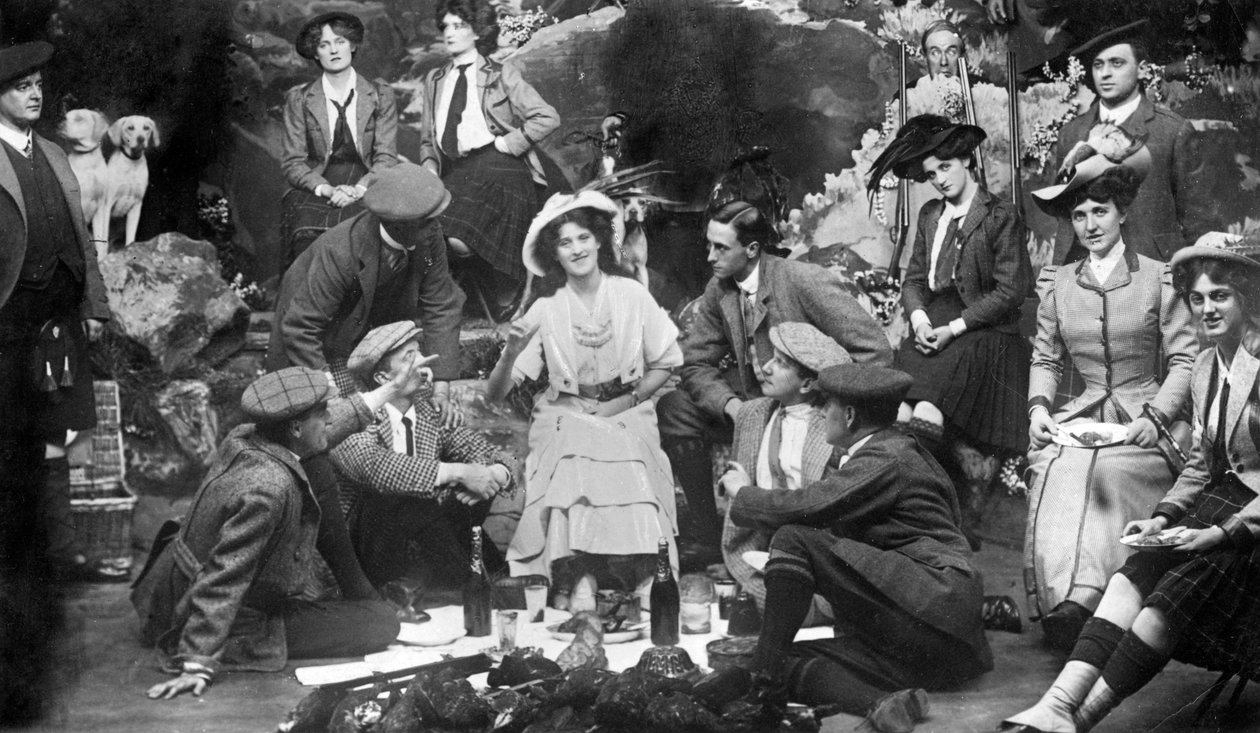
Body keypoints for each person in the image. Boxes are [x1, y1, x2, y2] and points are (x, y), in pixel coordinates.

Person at [994, 236, 1260, 733]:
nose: (1207, 309)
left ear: (1246, 298)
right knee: (1128, 577)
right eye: (1197, 299)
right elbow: (1200, 465)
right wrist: (1162, 517)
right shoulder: (1206, 366)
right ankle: (1055, 706)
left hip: (1250, 525)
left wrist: (1219, 534)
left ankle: (1079, 719)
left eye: (1220, 296)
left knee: (1164, 602)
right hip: (1216, 503)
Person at [132, 365, 432, 700]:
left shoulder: (248, 436)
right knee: (381, 623)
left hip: (169, 590)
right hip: (211, 616)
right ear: (296, 427)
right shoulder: (269, 489)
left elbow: (333, 423)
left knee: (317, 463)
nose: (330, 419)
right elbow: (225, 574)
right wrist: (196, 660)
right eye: (323, 412)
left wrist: (392, 388)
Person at [718, 363, 992, 729]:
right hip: (940, 646)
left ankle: (762, 683)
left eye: (826, 405)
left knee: (793, 537)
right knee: (788, 658)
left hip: (930, 611)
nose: (822, 414)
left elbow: (807, 506)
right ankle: (882, 704)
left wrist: (741, 492)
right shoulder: (893, 450)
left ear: (848, 416)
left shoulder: (887, 457)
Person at [1023, 153, 1198, 651]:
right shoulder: (1059, 283)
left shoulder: (1158, 278)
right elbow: (1046, 358)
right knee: (1057, 466)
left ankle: (1097, 600)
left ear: (1122, 212)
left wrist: (1156, 416)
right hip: (1082, 417)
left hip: (1150, 419)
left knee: (1107, 472)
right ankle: (1064, 601)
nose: (1090, 225)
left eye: (1100, 211)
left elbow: (1185, 360)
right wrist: (1039, 409)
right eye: (1079, 215)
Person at [657, 200, 893, 558]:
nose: (710, 256)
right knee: (674, 408)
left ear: (752, 249)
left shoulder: (801, 280)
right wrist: (732, 407)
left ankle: (804, 546)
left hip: (807, 404)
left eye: (721, 248)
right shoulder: (720, 289)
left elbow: (874, 350)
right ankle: (708, 536)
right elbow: (695, 363)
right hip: (753, 404)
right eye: (708, 245)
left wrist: (827, 405)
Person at [485, 190, 680, 596]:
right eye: (564, 242)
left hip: (627, 408)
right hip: (565, 412)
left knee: (627, 445)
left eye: (583, 238)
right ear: (553, 254)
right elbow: (496, 393)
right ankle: (579, 577)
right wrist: (511, 352)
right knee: (574, 442)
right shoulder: (545, 307)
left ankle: (646, 572)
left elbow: (666, 362)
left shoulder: (631, 294)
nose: (577, 249)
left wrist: (625, 401)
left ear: (599, 241)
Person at [869, 114, 1032, 531]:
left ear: (967, 161)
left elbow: (1010, 291)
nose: (939, 179)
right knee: (898, 410)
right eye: (930, 174)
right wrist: (920, 319)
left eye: (945, 167)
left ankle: (926, 515)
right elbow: (914, 280)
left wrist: (954, 328)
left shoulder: (1000, 215)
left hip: (984, 331)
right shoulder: (930, 215)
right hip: (934, 323)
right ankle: (899, 509)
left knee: (925, 410)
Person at [0, 42, 120, 583]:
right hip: (9, 323)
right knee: (12, 434)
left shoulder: (51, 152)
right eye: (20, 87)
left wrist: (93, 304)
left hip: (58, 321)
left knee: (58, 433)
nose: (34, 95)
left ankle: (63, 554)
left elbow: (81, 237)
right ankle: (18, 562)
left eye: (38, 86)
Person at [266, 162, 465, 422]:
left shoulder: (428, 235)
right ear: (398, 225)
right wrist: (334, 397)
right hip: (313, 344)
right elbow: (301, 328)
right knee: (331, 425)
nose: (436, 226)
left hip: (362, 337)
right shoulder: (340, 251)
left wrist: (441, 389)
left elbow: (442, 304)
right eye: (427, 221)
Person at [331, 320, 515, 589]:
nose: (423, 362)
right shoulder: (354, 417)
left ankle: (473, 583)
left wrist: (494, 473)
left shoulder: (430, 411)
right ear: (382, 378)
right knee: (404, 499)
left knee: (466, 493)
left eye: (419, 351)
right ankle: (478, 583)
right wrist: (458, 472)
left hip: (425, 540)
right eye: (409, 356)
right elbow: (375, 468)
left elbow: (495, 455)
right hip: (364, 548)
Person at [417, 0, 560, 321]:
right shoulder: (435, 80)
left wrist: (509, 143)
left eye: (460, 26)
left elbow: (547, 117)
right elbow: (427, 140)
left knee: (458, 239)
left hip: (502, 167)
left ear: (477, 31)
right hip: (458, 171)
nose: (450, 33)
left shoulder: (500, 73)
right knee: (429, 233)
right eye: (446, 26)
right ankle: (470, 292)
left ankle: (506, 281)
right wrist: (429, 167)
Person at [1050, 19, 1217, 264]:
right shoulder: (1071, 134)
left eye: (1117, 63)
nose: (1105, 73)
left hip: (1149, 266)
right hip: (1084, 269)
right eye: (1098, 65)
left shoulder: (1172, 131)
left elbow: (1198, 220)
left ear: (1141, 69)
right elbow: (1064, 216)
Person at [719, 322, 851, 625]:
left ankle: (810, 608)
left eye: (781, 363)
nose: (766, 367)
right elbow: (737, 518)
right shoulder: (753, 414)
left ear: (807, 384)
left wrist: (747, 494)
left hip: (817, 554)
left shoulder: (833, 426)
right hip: (761, 552)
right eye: (772, 358)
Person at [279, 11, 398, 266]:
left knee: (369, 238)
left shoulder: (380, 94)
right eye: (324, 45)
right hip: (317, 182)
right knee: (305, 237)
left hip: (369, 179)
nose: (333, 50)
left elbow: (386, 157)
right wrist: (326, 189)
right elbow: (293, 162)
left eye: (340, 41)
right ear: (315, 53)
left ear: (352, 45)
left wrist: (359, 189)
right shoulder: (299, 99)